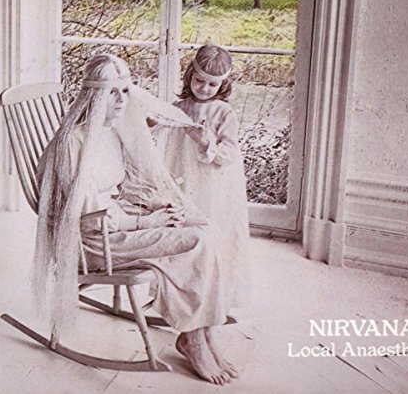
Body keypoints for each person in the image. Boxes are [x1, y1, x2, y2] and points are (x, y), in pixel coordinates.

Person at [33, 53, 239, 384]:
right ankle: (193, 338)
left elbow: (125, 185)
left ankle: (204, 330)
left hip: (117, 221)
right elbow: (86, 219)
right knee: (196, 241)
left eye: (125, 91)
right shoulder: (73, 144)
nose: (121, 100)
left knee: (203, 225)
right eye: (111, 92)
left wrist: (161, 206)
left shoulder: (110, 130)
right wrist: (148, 222)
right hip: (94, 242)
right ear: (93, 95)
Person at [156, 45, 250, 309]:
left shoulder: (223, 112)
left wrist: (206, 142)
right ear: (189, 76)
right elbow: (159, 129)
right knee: (181, 229)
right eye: (199, 81)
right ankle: (180, 291)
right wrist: (152, 120)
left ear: (222, 85)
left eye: (212, 84)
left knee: (212, 231)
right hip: (183, 179)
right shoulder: (179, 107)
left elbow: (228, 154)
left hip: (213, 185)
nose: (205, 88)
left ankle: (213, 292)